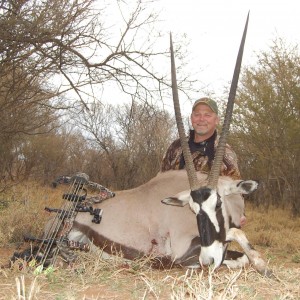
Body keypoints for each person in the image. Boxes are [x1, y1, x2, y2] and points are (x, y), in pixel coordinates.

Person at [160, 97, 246, 226]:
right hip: (172, 213)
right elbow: (162, 179)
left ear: (216, 120)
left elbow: (235, 188)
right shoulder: (176, 147)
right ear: (191, 118)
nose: (201, 119)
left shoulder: (225, 152)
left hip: (207, 219)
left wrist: (240, 213)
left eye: (207, 115)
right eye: (197, 115)